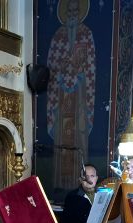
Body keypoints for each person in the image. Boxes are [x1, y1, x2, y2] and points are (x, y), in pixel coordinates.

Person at [46, 0, 95, 189]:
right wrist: (62, 75)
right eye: (70, 10)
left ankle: (77, 180)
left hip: (79, 97)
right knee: (63, 138)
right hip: (62, 98)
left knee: (78, 135)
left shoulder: (86, 34)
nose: (73, 13)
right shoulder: (58, 35)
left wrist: (79, 76)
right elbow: (52, 66)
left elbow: (90, 67)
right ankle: (60, 183)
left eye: (76, 10)